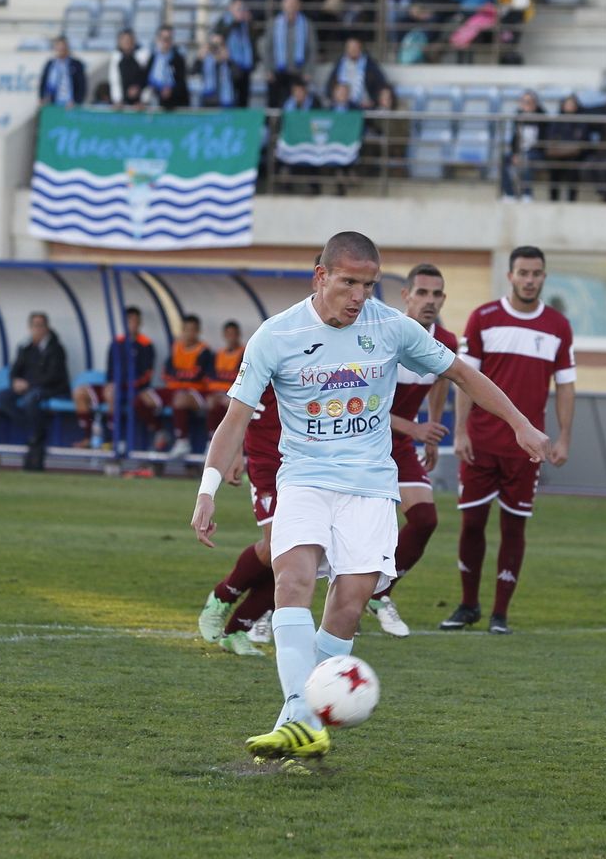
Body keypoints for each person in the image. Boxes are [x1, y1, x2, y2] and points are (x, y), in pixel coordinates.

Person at [190, 231, 549, 765]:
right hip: (305, 480)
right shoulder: (277, 334)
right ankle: (300, 713)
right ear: (321, 276)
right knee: (293, 581)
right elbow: (234, 419)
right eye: (349, 283)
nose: (359, 296)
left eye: (369, 285)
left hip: (371, 488)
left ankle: (300, 724)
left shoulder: (390, 326)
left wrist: (520, 423)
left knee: (349, 604)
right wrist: (207, 491)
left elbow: (460, 373)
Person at [441, 244, 575, 635]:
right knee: (472, 523)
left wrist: (564, 438)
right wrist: (461, 430)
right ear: (510, 276)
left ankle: (500, 614)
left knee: (514, 527)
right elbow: (463, 378)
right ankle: (468, 605)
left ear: (544, 277)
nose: (529, 280)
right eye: (523, 273)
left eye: (536, 273)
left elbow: (566, 386)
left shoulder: (558, 326)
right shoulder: (484, 318)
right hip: (481, 443)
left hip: (527, 449)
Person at [369, 263, 460, 638]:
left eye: (436, 294)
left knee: (424, 520)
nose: (430, 301)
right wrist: (416, 428)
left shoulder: (446, 340)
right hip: (362, 441)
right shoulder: (385, 335)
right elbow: (364, 404)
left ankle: (379, 594)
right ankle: (272, 606)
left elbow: (443, 380)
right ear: (405, 296)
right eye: (422, 293)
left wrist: (431, 432)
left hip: (401, 443)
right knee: (339, 532)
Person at [196, 382, 283, 657]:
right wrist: (235, 452)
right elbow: (237, 408)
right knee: (278, 547)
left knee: (304, 557)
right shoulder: (265, 355)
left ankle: (236, 631)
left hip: (313, 466)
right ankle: (223, 596)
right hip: (269, 463)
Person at [0, 312, 70, 471]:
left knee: (30, 399)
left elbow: (54, 375)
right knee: (2, 396)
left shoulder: (56, 348)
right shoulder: (25, 347)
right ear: (30, 328)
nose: (38, 329)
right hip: (29, 387)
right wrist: (15, 381)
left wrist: (28, 384)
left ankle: (35, 434)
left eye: (41, 325)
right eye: (35, 326)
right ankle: (33, 429)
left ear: (47, 328)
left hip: (51, 387)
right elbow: (15, 369)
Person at [75, 304, 156, 448]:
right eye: (129, 320)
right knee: (80, 392)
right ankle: (88, 437)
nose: (131, 324)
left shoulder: (146, 344)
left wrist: (123, 385)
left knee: (112, 393)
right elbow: (110, 370)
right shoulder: (116, 343)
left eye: (134, 320)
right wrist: (110, 383)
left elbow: (147, 375)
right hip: (113, 387)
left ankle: (112, 440)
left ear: (139, 322)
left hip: (134, 390)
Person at [161, 314, 215, 457]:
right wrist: (181, 376)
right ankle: (161, 433)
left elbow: (197, 375)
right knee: (143, 398)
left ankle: (183, 441)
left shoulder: (204, 351)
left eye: (193, 330)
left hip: (198, 392)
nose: (190, 333)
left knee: (180, 399)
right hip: (175, 389)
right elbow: (166, 373)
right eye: (187, 329)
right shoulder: (176, 347)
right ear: (182, 331)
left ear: (198, 331)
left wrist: (178, 376)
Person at [261, 0, 317, 108]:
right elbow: (267, 48)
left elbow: (312, 49)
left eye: (294, 3)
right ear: (283, 4)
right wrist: (267, 69)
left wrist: (309, 71)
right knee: (274, 105)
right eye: (288, 2)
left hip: (299, 72)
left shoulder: (307, 25)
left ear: (299, 5)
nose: (291, 5)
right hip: (277, 72)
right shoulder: (273, 23)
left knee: (296, 105)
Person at [500, 88, 544, 201]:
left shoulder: (542, 118)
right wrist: (515, 154)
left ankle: (527, 194)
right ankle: (509, 194)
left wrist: (522, 154)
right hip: (520, 151)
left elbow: (543, 141)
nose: (526, 104)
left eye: (529, 101)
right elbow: (515, 139)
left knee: (526, 158)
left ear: (535, 103)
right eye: (523, 101)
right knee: (506, 158)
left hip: (536, 151)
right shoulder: (518, 117)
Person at [205, 319, 244, 435]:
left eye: (234, 334)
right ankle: (211, 438)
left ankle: (233, 439)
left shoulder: (245, 353)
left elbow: (242, 379)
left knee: (227, 403)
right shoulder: (217, 354)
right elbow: (210, 378)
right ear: (224, 335)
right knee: (212, 401)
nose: (231, 337)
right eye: (228, 334)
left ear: (239, 335)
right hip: (217, 393)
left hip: (234, 395)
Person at [326, 36, 388, 108]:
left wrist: (373, 100)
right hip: (344, 106)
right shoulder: (340, 64)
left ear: (360, 48)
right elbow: (330, 85)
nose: (352, 50)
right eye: (350, 47)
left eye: (355, 47)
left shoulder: (370, 65)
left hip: (364, 106)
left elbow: (381, 85)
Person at [196, 32, 250, 108]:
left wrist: (228, 60)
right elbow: (193, 71)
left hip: (226, 103)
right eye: (213, 45)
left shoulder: (228, 62)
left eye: (219, 44)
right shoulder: (205, 61)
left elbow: (239, 77)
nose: (216, 48)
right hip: (207, 103)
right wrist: (199, 59)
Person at [144, 24, 189, 109]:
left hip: (174, 105)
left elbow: (182, 83)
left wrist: (171, 90)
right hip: (154, 102)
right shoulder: (152, 58)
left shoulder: (178, 59)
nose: (166, 41)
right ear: (158, 39)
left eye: (169, 38)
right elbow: (146, 79)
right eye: (164, 39)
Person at [38, 35, 85, 107]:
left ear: (67, 48)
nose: (60, 49)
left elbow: (81, 85)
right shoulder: (50, 64)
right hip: (53, 102)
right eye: (58, 47)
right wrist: (42, 97)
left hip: (70, 104)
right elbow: (43, 82)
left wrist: (76, 101)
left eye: (63, 47)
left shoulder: (76, 64)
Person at [107, 27, 148, 108]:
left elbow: (147, 80)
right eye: (124, 40)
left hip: (140, 105)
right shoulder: (116, 57)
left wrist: (144, 101)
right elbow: (114, 81)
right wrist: (117, 100)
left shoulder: (143, 56)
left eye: (129, 40)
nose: (126, 42)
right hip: (122, 104)